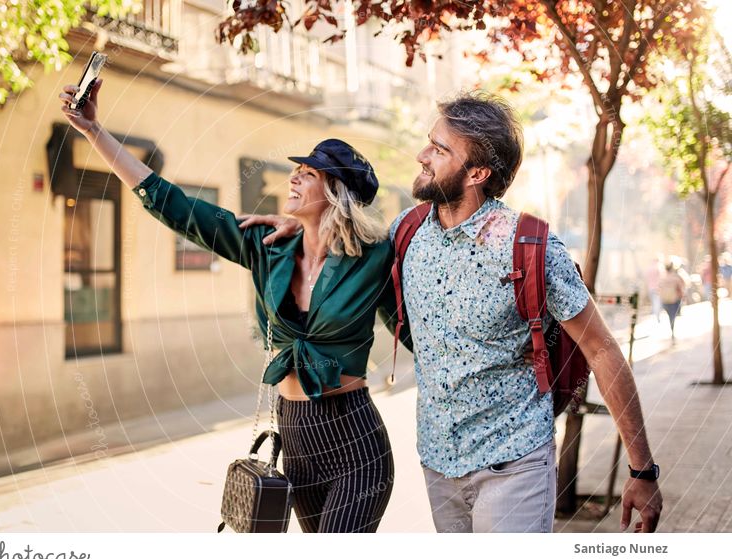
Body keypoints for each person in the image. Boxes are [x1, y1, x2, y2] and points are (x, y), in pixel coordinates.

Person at [245, 90, 663, 533]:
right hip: (439, 465)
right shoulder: (404, 235)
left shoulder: (530, 245)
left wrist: (642, 470)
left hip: (514, 462)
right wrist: (305, 224)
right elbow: (349, 248)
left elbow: (601, 351)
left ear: (477, 172)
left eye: (440, 150)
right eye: (429, 142)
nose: (423, 155)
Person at [58, 79, 398, 533]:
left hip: (355, 441)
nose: (294, 176)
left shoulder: (375, 257)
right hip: (295, 437)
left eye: (309, 173)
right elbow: (173, 205)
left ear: (335, 191)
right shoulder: (266, 245)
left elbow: (416, 307)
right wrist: (93, 131)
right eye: (297, 169)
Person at [659, 262, 686, 344]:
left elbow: (659, 289)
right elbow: (681, 287)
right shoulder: (675, 277)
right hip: (674, 300)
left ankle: (672, 331)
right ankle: (672, 332)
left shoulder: (663, 278)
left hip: (665, 300)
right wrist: (682, 297)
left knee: (670, 316)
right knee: (672, 316)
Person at [645, 257, 663, 322]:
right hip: (656, 288)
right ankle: (657, 314)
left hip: (650, 288)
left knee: (653, 301)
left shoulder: (648, 269)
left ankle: (655, 314)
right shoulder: (658, 268)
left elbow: (646, 279)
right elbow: (661, 279)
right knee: (657, 302)